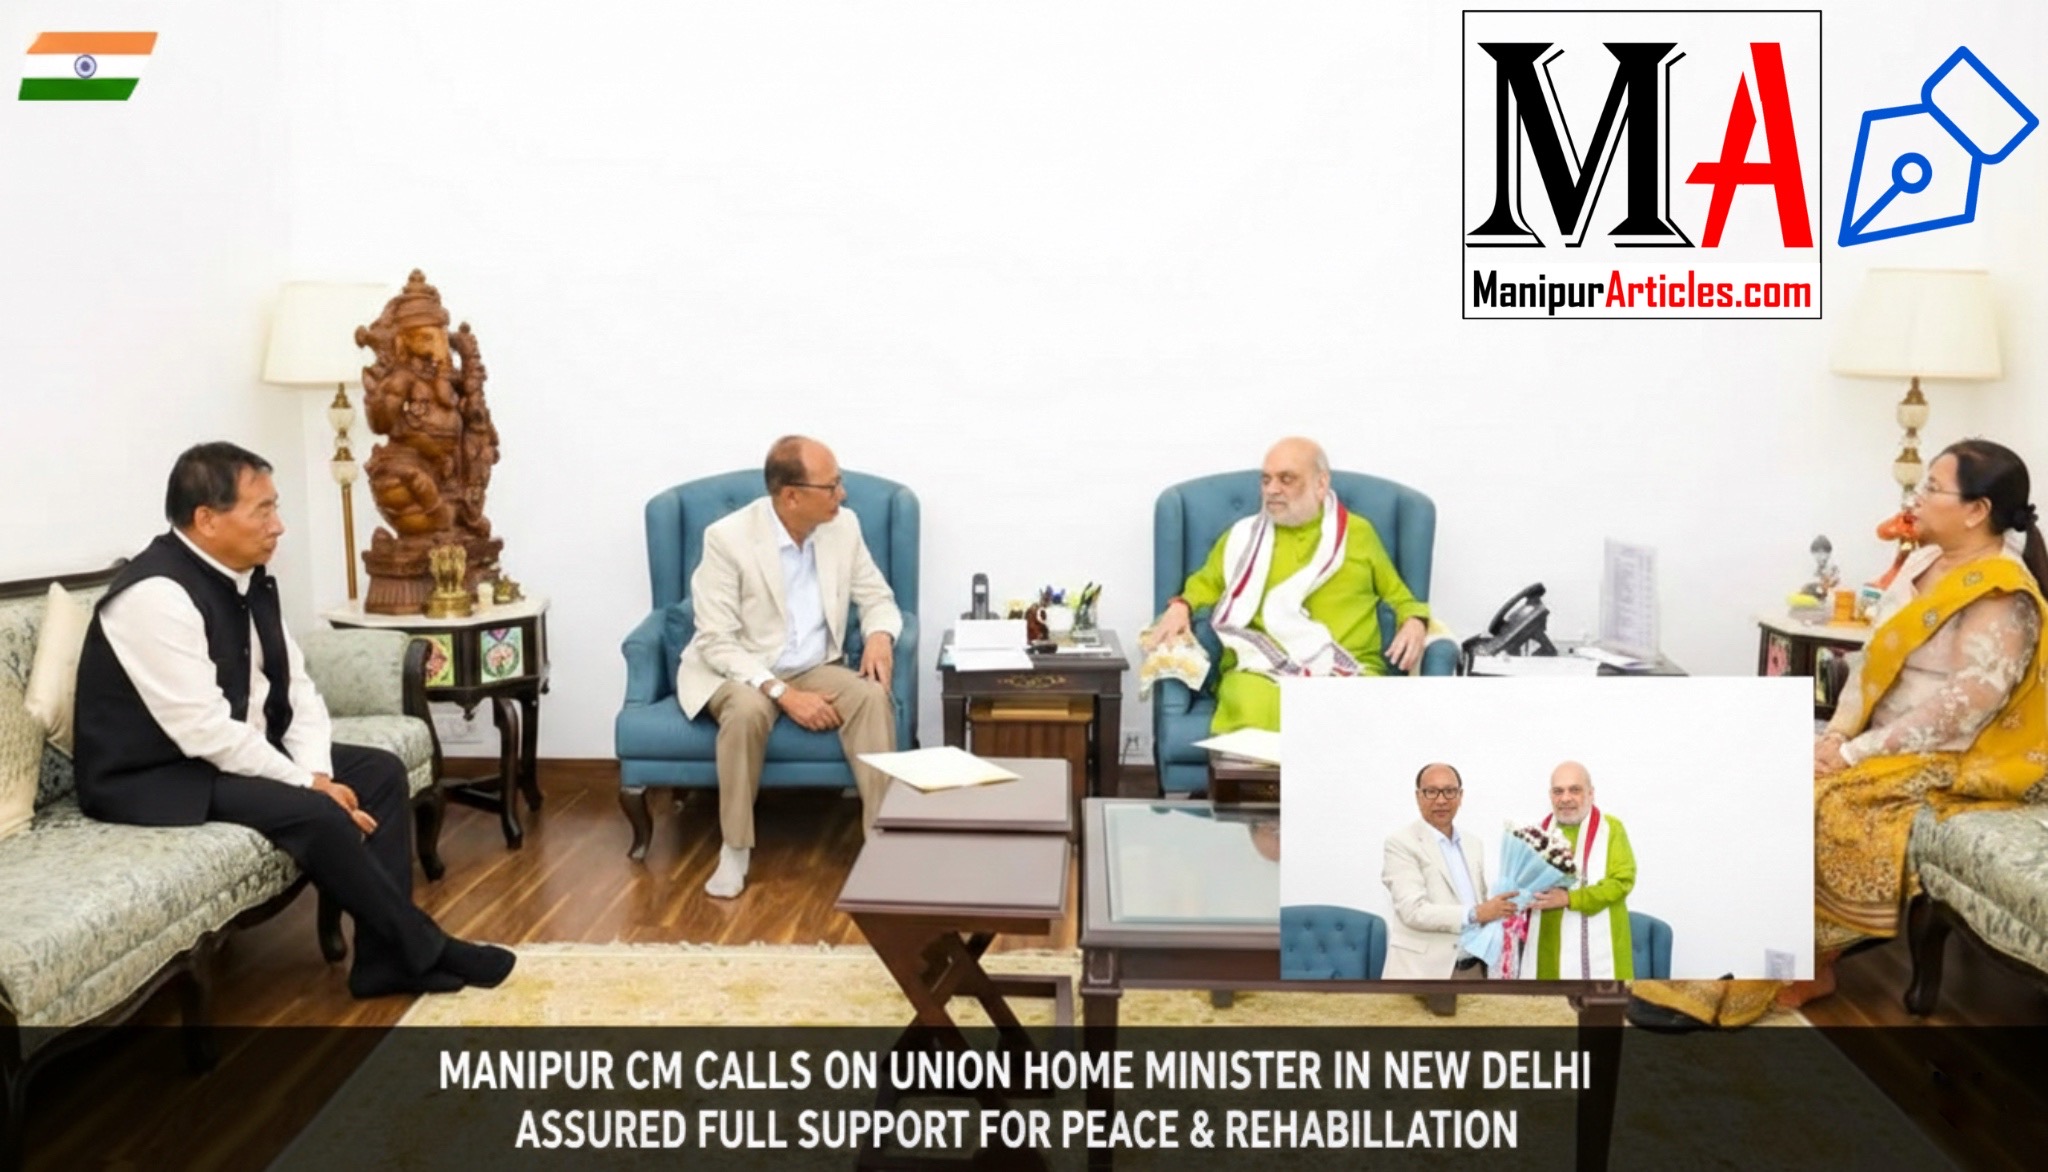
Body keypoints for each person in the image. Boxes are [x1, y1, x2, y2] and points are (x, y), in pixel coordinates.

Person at [73, 442, 515, 999]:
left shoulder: (243, 576)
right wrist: (308, 786)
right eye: (262, 510)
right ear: (207, 519)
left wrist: (317, 770)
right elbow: (203, 729)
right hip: (154, 776)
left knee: (379, 772)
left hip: (221, 754)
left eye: (275, 507)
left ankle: (384, 964)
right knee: (316, 812)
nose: (278, 525)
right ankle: (427, 947)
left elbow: (296, 684)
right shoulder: (154, 597)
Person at [1636, 439, 2048, 1023]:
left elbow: (1960, 710)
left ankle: (1790, 965)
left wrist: (1855, 754)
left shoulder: (2001, 593)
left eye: (1933, 487)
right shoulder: (1925, 561)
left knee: (1811, 799)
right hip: (1880, 740)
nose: (1917, 497)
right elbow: (1873, 660)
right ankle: (1711, 941)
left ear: (1976, 510)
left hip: (1956, 756)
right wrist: (1835, 737)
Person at [676, 436, 901, 899]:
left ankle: (883, 846)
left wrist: (879, 634)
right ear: (791, 496)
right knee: (746, 712)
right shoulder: (727, 539)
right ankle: (735, 847)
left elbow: (876, 596)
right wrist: (783, 694)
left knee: (871, 696)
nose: (842, 495)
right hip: (739, 667)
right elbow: (716, 640)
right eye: (831, 486)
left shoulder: (844, 526)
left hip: (813, 663)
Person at [1141, 438, 1431, 733]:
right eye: (1266, 480)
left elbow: (1400, 597)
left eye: (1286, 479)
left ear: (1321, 484)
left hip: (1347, 669)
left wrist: (1414, 621)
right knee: (1247, 700)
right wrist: (1181, 607)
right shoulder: (1243, 538)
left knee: (1354, 709)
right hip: (1261, 669)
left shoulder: (1358, 534)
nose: (1272, 489)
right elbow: (1204, 584)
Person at [1382, 763, 1518, 1014]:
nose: (1441, 800)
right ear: (1418, 796)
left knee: (1476, 1038)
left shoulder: (1473, 843)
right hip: (1425, 974)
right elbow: (1413, 911)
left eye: (1449, 791)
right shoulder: (1401, 844)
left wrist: (1508, 907)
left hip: (1474, 970)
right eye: (1431, 792)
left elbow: (1479, 902)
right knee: (1423, 1040)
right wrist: (1476, 913)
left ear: (1460, 796)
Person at [1521, 761, 1635, 980]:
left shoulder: (1610, 829)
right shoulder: (1537, 834)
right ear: (1550, 796)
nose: (1565, 798)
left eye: (1574, 790)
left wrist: (1569, 898)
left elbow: (1622, 882)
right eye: (1558, 791)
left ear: (1590, 794)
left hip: (1601, 950)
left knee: (1598, 1002)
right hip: (1548, 946)